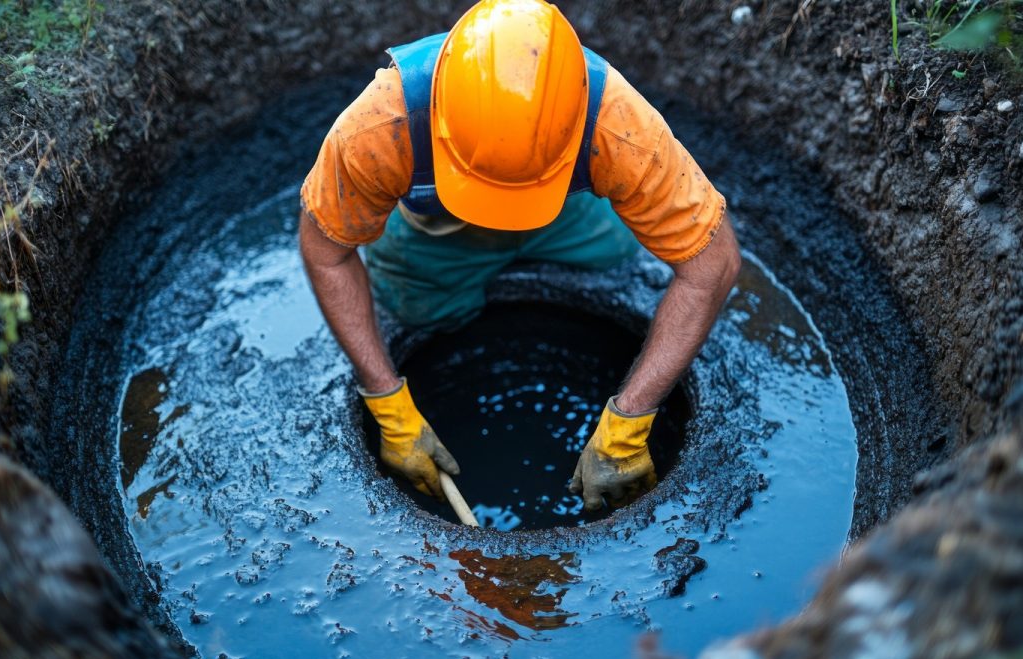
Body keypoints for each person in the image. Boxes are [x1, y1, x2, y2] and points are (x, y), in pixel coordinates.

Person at [298, 0, 741, 512]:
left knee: (619, 262)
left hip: (562, 217)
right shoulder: (380, 127)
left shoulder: (620, 128)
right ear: (440, 123)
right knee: (416, 312)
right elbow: (326, 251)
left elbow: (714, 264)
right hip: (436, 233)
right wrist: (387, 401)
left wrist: (630, 422)